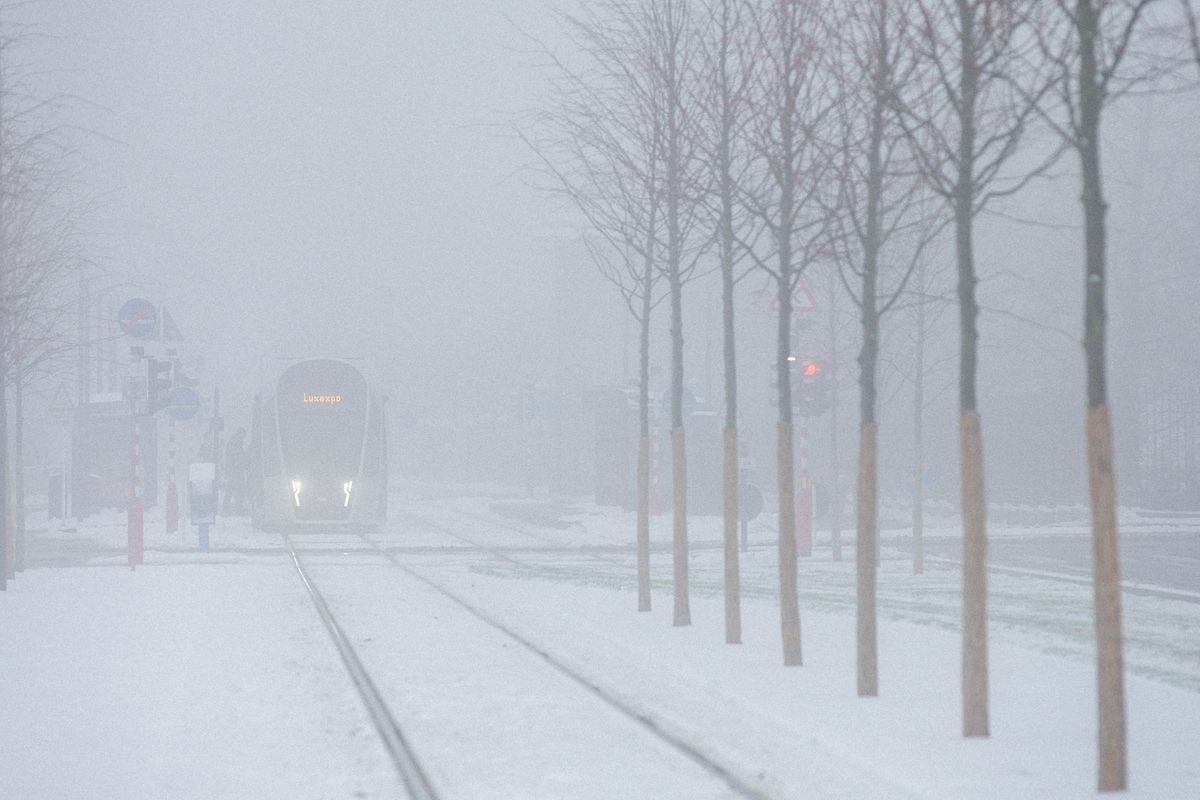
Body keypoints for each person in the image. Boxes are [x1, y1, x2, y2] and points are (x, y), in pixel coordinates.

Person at [222, 427, 248, 515]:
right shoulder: (235, 443)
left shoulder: (234, 442)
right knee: (238, 489)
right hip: (236, 470)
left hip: (234, 470)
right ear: (240, 434)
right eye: (243, 436)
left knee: (232, 489)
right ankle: (238, 508)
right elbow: (236, 456)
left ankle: (228, 507)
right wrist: (243, 461)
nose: (244, 438)